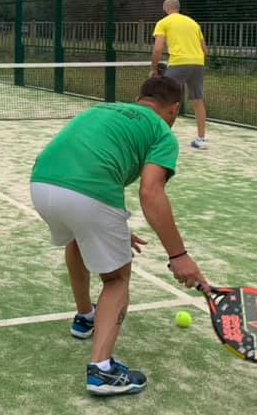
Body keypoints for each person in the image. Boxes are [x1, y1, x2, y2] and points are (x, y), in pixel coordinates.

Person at [30, 76, 207, 396]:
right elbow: (151, 192)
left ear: (139, 98)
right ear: (174, 109)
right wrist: (178, 256)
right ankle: (101, 371)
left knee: (77, 240)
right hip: (86, 194)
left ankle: (85, 317)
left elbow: (92, 161)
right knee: (116, 279)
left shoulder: (104, 110)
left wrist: (111, 226)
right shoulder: (162, 132)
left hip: (41, 183)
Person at [150, 0, 210, 149]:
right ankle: (201, 140)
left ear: (166, 8)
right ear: (178, 7)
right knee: (197, 101)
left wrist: (153, 68)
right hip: (198, 63)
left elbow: (157, 49)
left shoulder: (163, 22)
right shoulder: (193, 23)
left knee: (166, 100)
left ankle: (161, 138)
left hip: (178, 62)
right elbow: (205, 50)